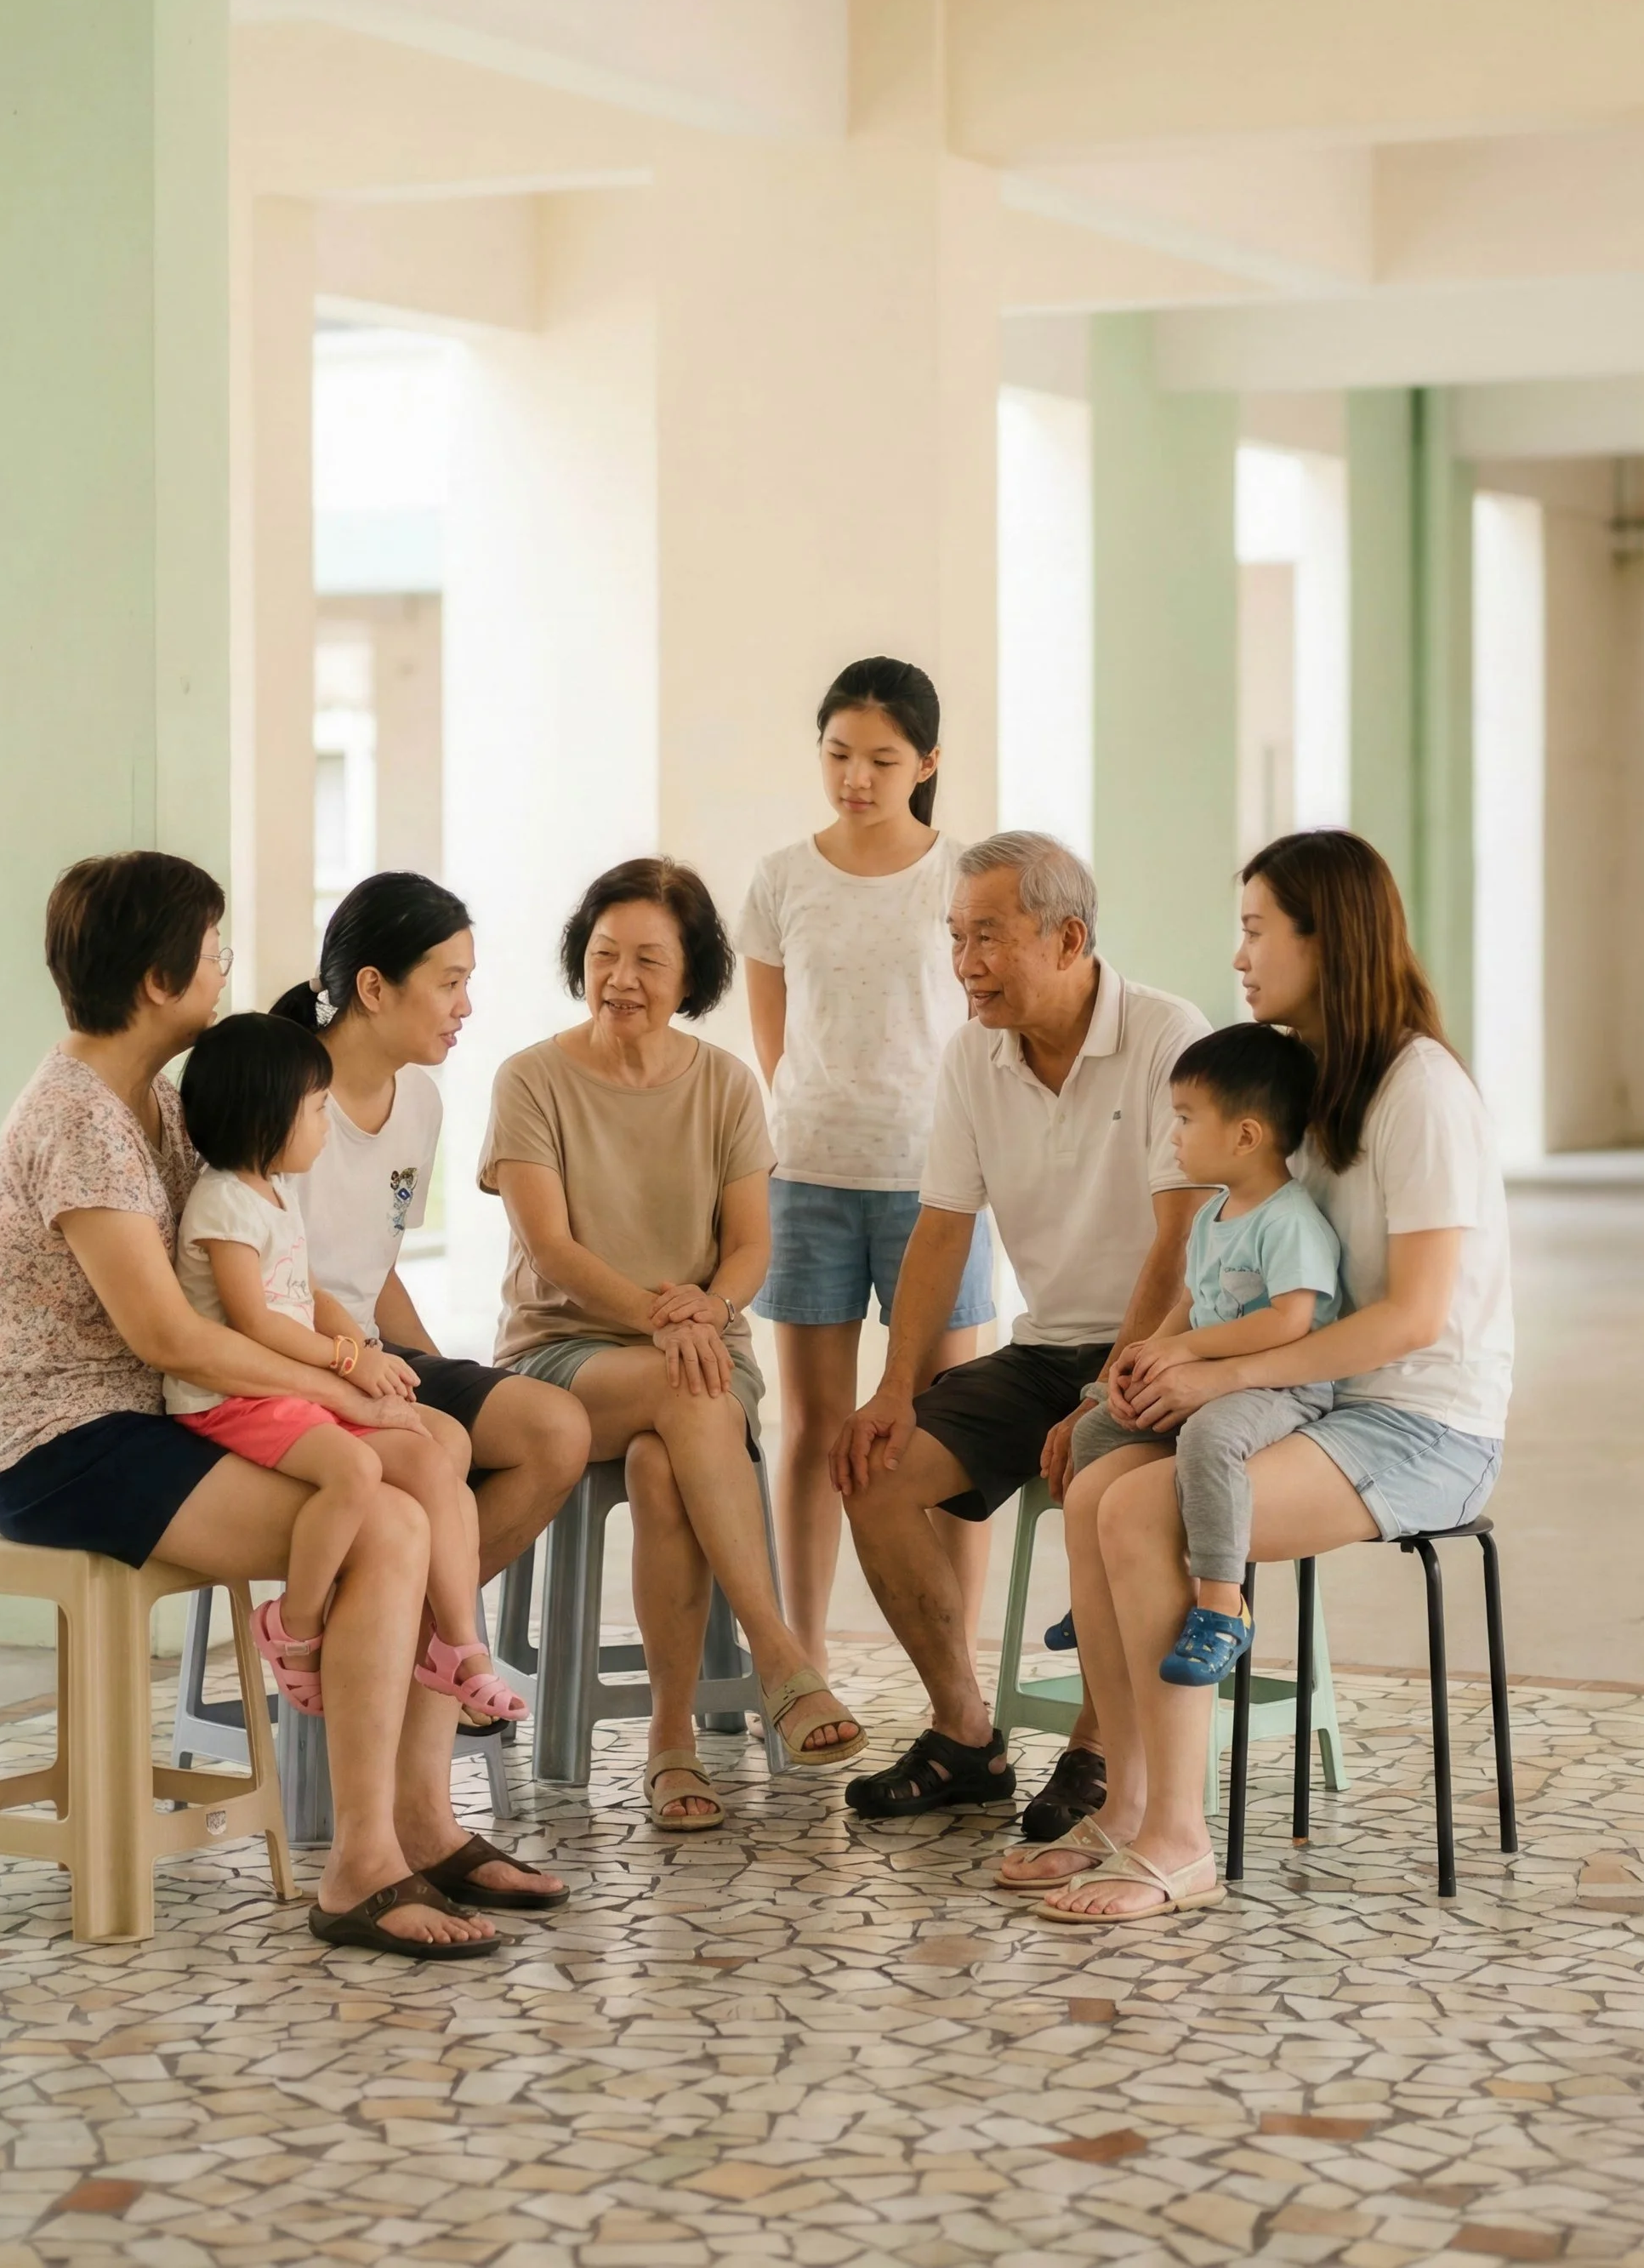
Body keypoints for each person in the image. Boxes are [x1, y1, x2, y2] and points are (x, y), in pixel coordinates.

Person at [0, 852, 546, 1958]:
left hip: (155, 1417)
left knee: (414, 1479)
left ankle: (402, 1833)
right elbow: (169, 1335)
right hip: (63, 1443)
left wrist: (357, 1377)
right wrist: (344, 1382)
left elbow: (242, 1294)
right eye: (215, 951)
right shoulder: (80, 1118)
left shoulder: (163, 1106)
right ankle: (364, 1862)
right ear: (156, 979)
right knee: (385, 1516)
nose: (228, 968)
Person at [1029, 829, 1511, 1926]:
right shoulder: (1313, 1086)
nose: (1238, 956)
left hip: (1424, 1428)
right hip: (1323, 1402)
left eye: (1256, 930)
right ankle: (1129, 1806)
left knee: (1144, 1507)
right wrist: (1167, 1365)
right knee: (1102, 1481)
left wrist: (1217, 1381)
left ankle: (1178, 1838)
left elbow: (1415, 1316)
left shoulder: (1417, 1089)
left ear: (1323, 939)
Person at [831, 833, 1206, 1832]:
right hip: (1044, 1350)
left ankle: (1095, 1750)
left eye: (987, 938)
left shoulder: (1170, 1036)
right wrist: (892, 1385)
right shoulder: (971, 1056)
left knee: (1109, 1475)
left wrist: (1104, 1394)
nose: (965, 965)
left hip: (1162, 1349)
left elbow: (1179, 1243)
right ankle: (964, 1736)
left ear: (1069, 937)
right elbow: (942, 1229)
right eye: (956, 938)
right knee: (872, 1469)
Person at [481, 857, 862, 1830]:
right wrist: (667, 1315)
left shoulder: (728, 1085)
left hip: (694, 1351)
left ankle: (670, 1742)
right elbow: (552, 1250)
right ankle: (779, 1654)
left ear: (691, 976)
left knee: (665, 1462)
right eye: (605, 953)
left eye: (650, 959)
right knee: (682, 1394)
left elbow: (750, 1248)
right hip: (561, 1355)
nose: (623, 978)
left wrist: (702, 1309)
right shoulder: (530, 1078)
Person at [276, 870, 592, 1802]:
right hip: (296, 1357)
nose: (466, 1005)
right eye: (447, 981)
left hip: (372, 1343)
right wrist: (360, 1366)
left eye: (469, 980)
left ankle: (397, 1641)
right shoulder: (282, 1092)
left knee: (552, 1429)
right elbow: (272, 1284)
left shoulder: (420, 1103)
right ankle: (417, 1653)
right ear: (374, 987)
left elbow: (374, 1262)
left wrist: (439, 1366)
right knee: (439, 1448)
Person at [739, 657, 995, 1677]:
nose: (856, 776)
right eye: (838, 753)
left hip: (941, 1185)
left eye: (882, 759)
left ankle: (955, 1665)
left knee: (952, 1435)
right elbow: (777, 1044)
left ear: (926, 762)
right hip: (806, 1181)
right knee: (809, 1428)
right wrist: (821, 1115)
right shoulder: (781, 877)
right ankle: (802, 1659)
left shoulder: (962, 876)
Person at [164, 1011, 526, 1729]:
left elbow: (310, 1294)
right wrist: (345, 1360)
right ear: (267, 1116)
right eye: (317, 1107)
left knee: (434, 1450)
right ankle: (293, 1623)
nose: (328, 1122)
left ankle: (458, 1645)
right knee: (356, 1472)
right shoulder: (223, 1203)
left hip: (288, 1387)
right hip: (232, 1397)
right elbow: (257, 1322)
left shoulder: (275, 1190)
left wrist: (367, 1353)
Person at [1049, 1022, 1340, 1695]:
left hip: (1280, 1386)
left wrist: (1186, 1349)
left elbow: (1290, 1318)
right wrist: (1155, 1349)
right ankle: (1104, 1585)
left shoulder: (1287, 1217)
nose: (1171, 1135)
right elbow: (1193, 1298)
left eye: (1184, 1118)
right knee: (1096, 1425)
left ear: (1245, 1135)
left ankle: (1219, 1603)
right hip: (1212, 1375)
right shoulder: (1214, 1214)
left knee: (1209, 1439)